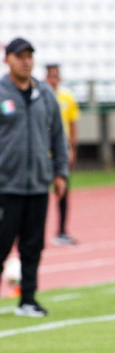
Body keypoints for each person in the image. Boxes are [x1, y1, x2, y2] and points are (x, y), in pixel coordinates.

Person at [0, 38, 68, 317]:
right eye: (20, 56)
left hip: (38, 183)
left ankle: (28, 299)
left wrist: (60, 172)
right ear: (8, 60)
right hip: (6, 185)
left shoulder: (45, 94)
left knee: (32, 246)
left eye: (29, 56)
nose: (26, 61)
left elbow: (57, 135)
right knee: (1, 245)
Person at [45, 63, 80, 246]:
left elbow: (73, 123)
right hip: (42, 153)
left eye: (57, 76)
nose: (54, 79)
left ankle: (62, 230)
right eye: (51, 75)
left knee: (63, 192)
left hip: (60, 153)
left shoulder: (66, 97)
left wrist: (71, 148)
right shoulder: (40, 96)